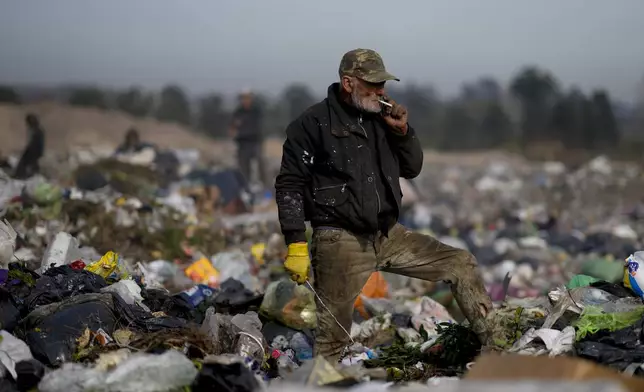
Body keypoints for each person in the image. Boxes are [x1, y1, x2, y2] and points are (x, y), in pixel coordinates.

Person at [274, 48, 500, 362]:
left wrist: (403, 132)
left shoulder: (382, 119)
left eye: (383, 84)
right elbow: (289, 184)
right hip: (340, 241)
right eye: (372, 84)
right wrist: (296, 243)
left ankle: (498, 348)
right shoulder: (312, 124)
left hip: (388, 234)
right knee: (332, 341)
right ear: (348, 82)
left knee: (461, 264)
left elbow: (412, 168)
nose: (381, 91)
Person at [229, 90, 267, 187]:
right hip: (242, 143)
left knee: (260, 162)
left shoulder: (256, 110)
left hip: (255, 141)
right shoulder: (238, 111)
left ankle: (266, 186)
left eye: (248, 98)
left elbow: (260, 124)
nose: (245, 101)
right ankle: (246, 187)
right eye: (243, 98)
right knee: (243, 167)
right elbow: (232, 126)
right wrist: (233, 132)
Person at [14, 113, 45, 179]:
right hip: (33, 151)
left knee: (27, 164)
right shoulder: (34, 130)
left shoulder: (37, 131)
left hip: (34, 151)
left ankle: (24, 176)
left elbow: (36, 143)